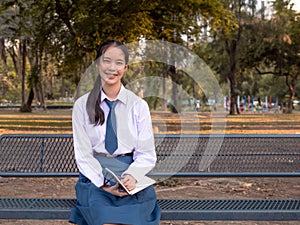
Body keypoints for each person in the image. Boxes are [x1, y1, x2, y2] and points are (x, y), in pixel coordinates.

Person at [69, 40, 161, 225]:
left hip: (131, 176)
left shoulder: (138, 106)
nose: (112, 68)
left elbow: (146, 154)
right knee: (107, 221)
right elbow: (83, 154)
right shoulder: (82, 105)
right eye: (107, 61)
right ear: (97, 64)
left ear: (125, 68)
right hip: (95, 176)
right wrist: (103, 183)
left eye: (119, 63)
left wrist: (132, 176)